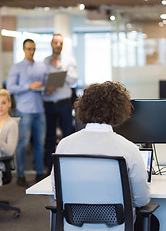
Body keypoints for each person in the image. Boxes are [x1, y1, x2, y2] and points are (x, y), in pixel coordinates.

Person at [52, 81, 159, 231]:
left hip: (73, 226)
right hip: (117, 227)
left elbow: (57, 193)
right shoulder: (128, 149)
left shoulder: (64, 145)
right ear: (120, 111)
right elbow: (141, 199)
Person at [7, 39, 47, 187]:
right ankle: (21, 175)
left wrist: (47, 87)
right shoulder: (17, 67)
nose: (31, 52)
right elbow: (10, 88)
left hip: (39, 110)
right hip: (24, 110)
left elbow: (45, 84)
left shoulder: (41, 67)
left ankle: (39, 173)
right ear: (24, 49)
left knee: (40, 144)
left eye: (33, 49)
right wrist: (28, 86)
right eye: (29, 49)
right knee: (23, 144)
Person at [43, 34, 77, 176]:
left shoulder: (69, 60)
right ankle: (49, 168)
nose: (58, 45)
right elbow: (41, 80)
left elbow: (73, 80)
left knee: (67, 135)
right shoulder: (44, 62)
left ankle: (69, 167)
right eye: (56, 42)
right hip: (49, 103)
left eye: (61, 43)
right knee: (49, 136)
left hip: (64, 103)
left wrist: (60, 68)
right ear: (52, 44)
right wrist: (47, 87)